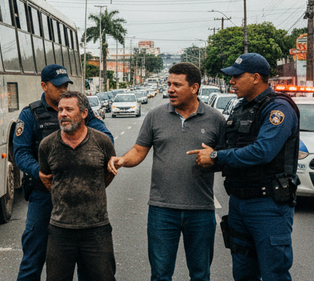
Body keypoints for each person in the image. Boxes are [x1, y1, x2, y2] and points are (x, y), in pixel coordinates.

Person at [108, 62, 225, 281]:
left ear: (194, 87)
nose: (170, 89)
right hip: (162, 210)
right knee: (160, 275)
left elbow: (225, 158)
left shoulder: (215, 119)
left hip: (200, 209)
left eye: (177, 85)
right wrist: (123, 160)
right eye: (169, 83)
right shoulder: (155, 116)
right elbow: (139, 150)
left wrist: (214, 159)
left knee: (201, 275)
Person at [189, 53, 299, 281]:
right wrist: (205, 158)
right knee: (243, 272)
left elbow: (263, 152)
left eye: (237, 76)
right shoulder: (239, 109)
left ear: (256, 77)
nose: (232, 81)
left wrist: (216, 156)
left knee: (273, 273)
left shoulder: (278, 109)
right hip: (239, 202)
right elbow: (229, 149)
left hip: (268, 204)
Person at [13, 64, 114, 281]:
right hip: (44, 193)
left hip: (79, 198)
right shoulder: (30, 114)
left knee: (88, 262)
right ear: (44, 86)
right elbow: (20, 153)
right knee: (33, 255)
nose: (63, 89)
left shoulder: (80, 108)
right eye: (58, 86)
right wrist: (39, 172)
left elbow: (105, 136)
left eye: (66, 85)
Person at [38, 91, 116, 281]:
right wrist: (63, 193)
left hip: (96, 228)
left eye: (69, 109)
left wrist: (91, 189)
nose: (62, 114)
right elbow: (46, 177)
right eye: (60, 109)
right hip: (60, 230)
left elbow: (108, 173)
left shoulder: (101, 142)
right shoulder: (47, 145)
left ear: (83, 113)